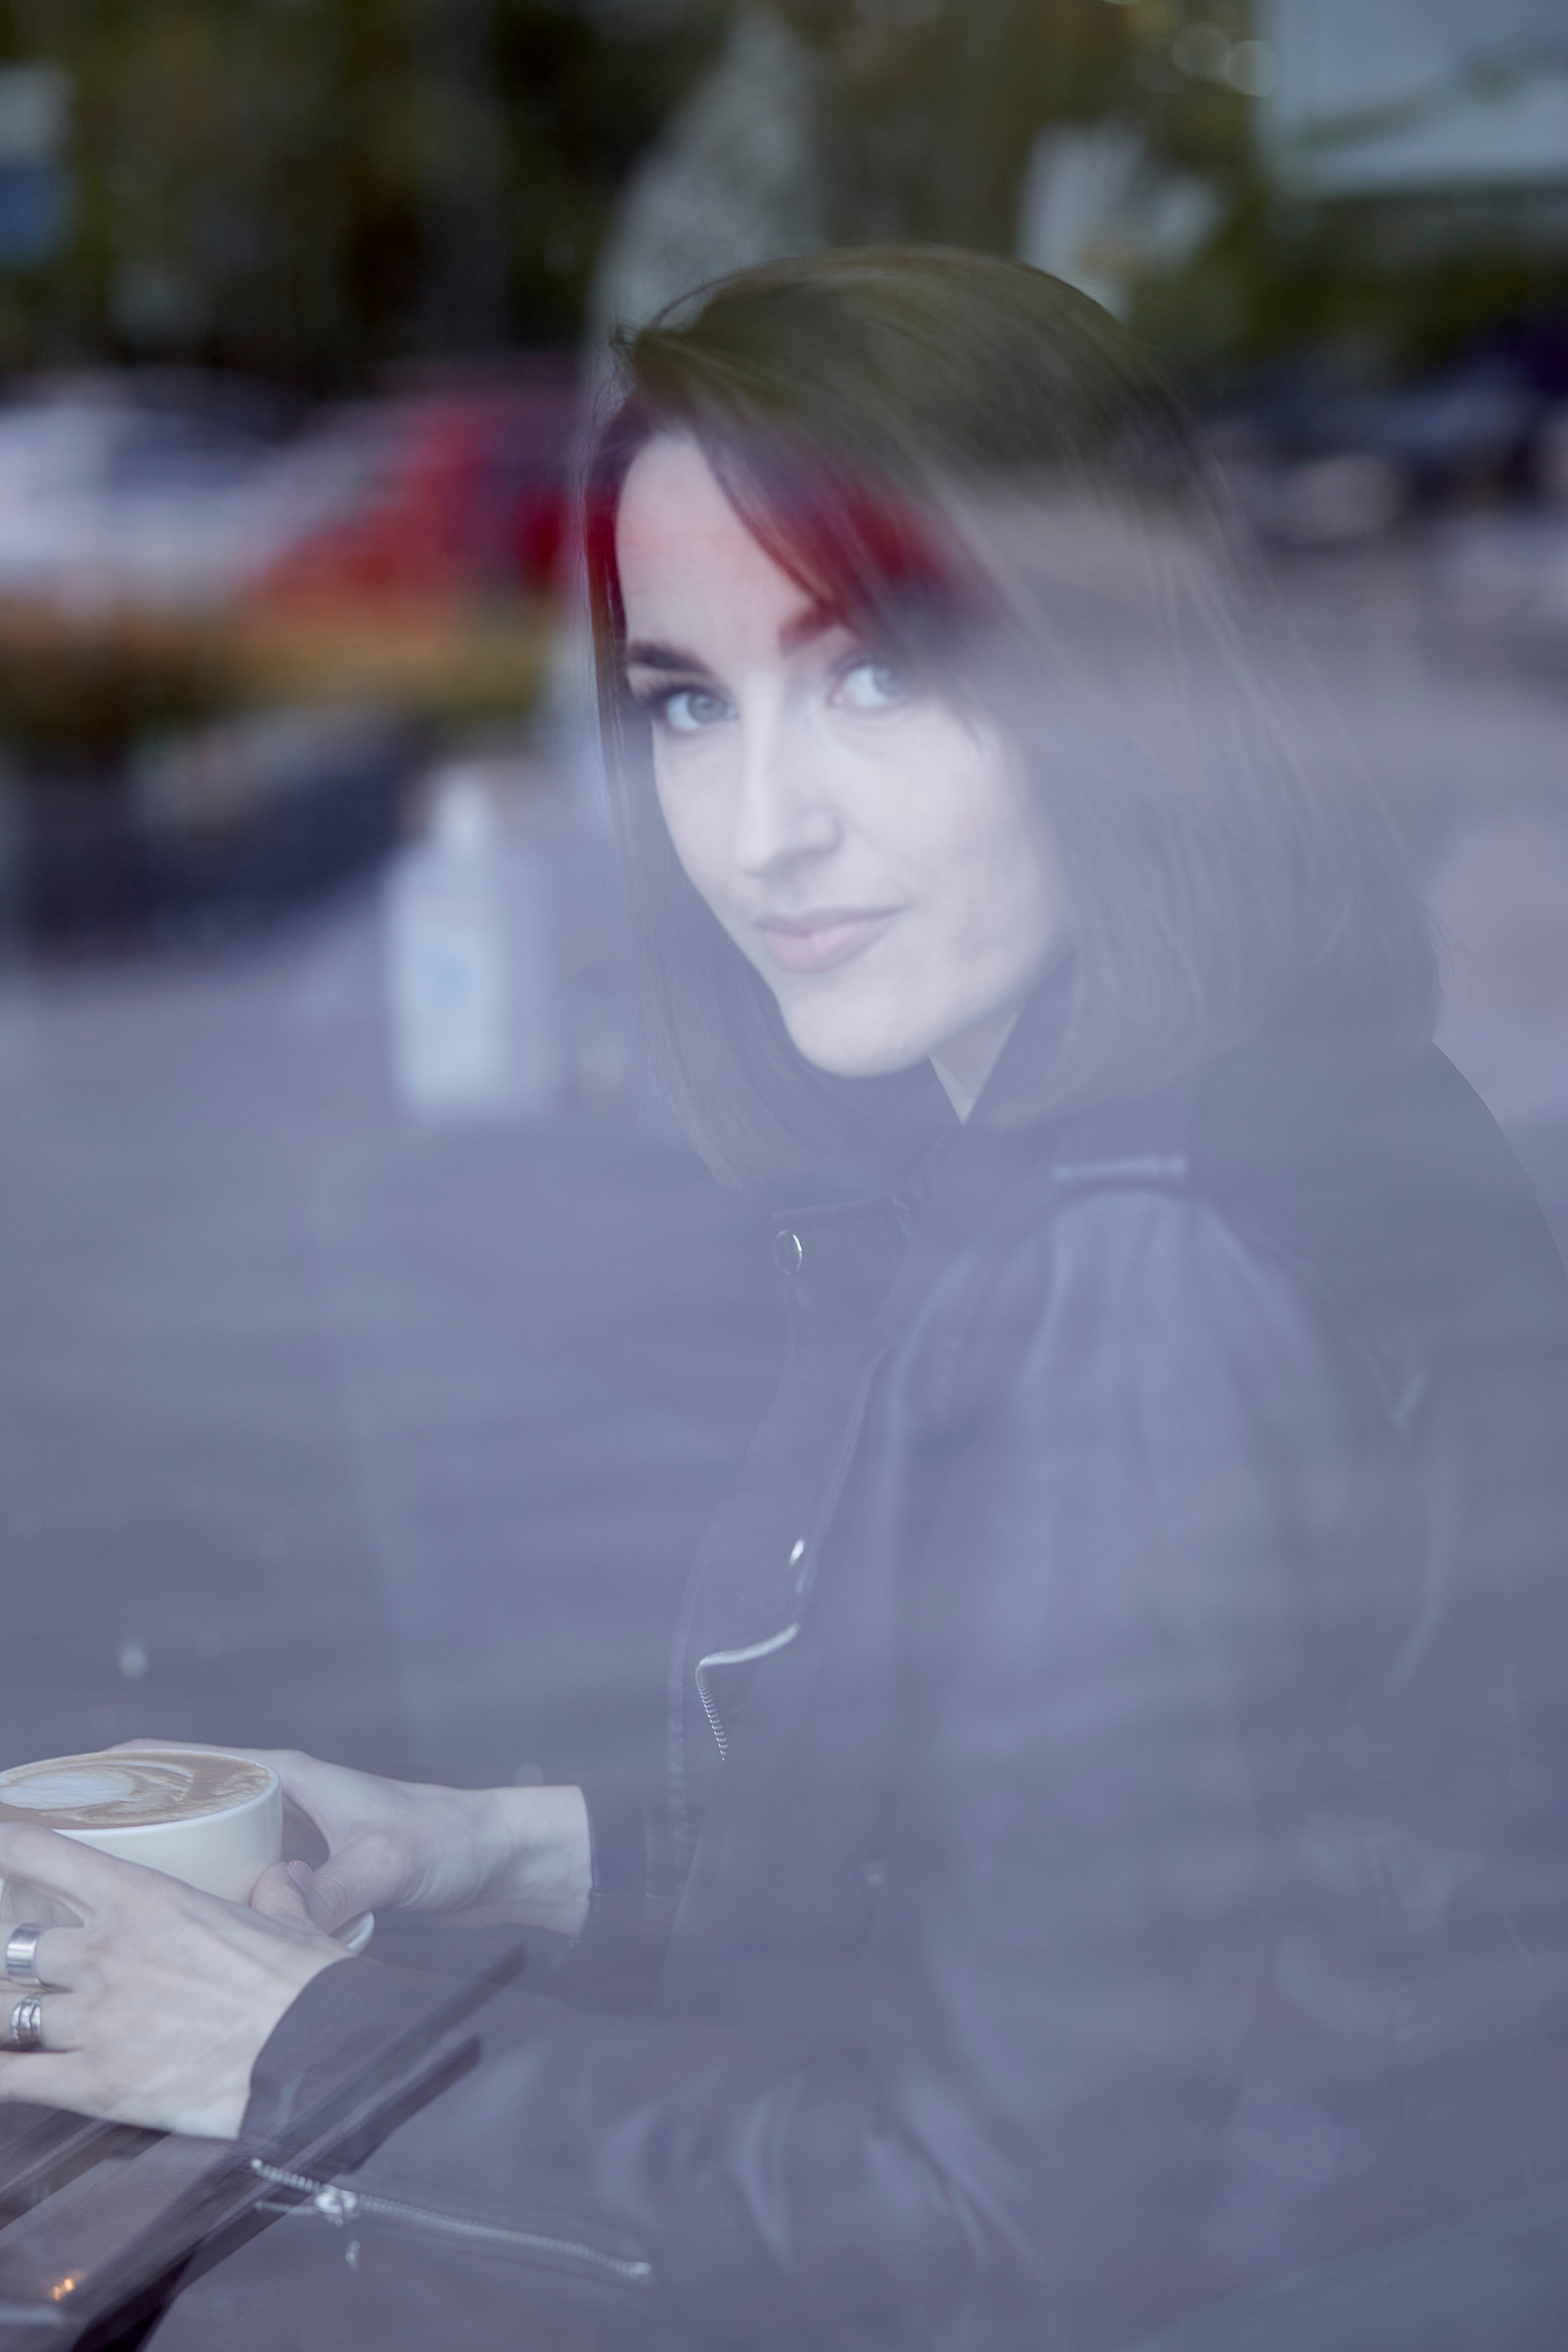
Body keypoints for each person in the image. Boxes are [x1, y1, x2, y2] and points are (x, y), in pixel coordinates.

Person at [4, 247, 1568, 2352]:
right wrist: (489, 1850)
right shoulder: (1257, 1116)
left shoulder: (1142, 1269)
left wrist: (283, 2042)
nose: (763, 830)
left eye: (877, 675)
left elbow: (983, 2245)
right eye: (687, 702)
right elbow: (1057, 1909)